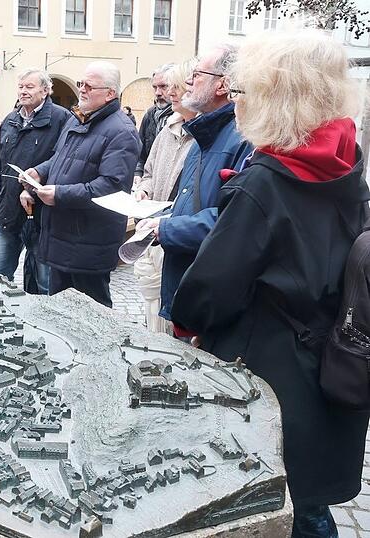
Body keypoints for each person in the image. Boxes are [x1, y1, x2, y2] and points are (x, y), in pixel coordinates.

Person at [170, 31, 369, 537]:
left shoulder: (267, 182)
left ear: (272, 96)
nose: (238, 101)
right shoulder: (348, 164)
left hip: (271, 378)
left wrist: (185, 324)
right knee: (311, 501)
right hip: (334, 362)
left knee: (278, 502)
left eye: (245, 91)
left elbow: (208, 292)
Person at [137, 44, 253, 333]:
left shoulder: (241, 138)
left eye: (197, 74)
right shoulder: (204, 136)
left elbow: (232, 221)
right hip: (188, 287)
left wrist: (166, 230)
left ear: (222, 85)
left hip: (208, 296)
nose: (188, 81)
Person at [18, 62, 141, 308]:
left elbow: (111, 187)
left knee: (93, 317)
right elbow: (60, 158)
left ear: (110, 93)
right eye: (80, 84)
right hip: (62, 236)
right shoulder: (77, 119)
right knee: (61, 312)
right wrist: (40, 172)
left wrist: (60, 195)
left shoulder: (122, 131)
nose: (81, 90)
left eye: (89, 86)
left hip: (90, 242)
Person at [0, 69, 70, 295]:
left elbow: (63, 163)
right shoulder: (10, 120)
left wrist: (33, 191)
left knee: (44, 281)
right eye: (21, 87)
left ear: (45, 91)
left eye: (30, 87)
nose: (23, 91)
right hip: (8, 212)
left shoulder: (62, 119)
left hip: (42, 215)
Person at [131, 60, 196, 335]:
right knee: (152, 310)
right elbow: (148, 169)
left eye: (173, 87)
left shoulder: (203, 136)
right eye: (164, 87)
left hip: (178, 236)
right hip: (153, 232)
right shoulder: (166, 130)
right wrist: (144, 188)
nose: (167, 93)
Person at [134, 65, 174, 180]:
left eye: (163, 87)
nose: (158, 93)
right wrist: (138, 173)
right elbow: (141, 154)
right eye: (155, 87)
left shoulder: (185, 116)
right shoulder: (150, 114)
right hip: (148, 182)